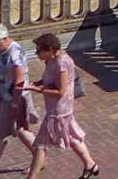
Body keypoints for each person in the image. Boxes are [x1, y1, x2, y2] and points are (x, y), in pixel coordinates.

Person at [23, 32, 98, 179]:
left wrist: (37, 89)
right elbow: (51, 79)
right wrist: (39, 82)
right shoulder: (51, 60)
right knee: (72, 136)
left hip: (58, 110)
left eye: (40, 50)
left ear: (51, 49)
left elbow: (60, 91)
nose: (37, 53)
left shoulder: (62, 63)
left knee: (40, 144)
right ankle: (90, 165)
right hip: (59, 108)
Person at [0, 22, 35, 179]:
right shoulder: (2, 50)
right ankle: (39, 156)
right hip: (4, 98)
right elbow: (1, 67)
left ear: (2, 39)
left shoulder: (14, 54)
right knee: (20, 129)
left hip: (12, 100)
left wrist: (15, 105)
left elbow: (19, 81)